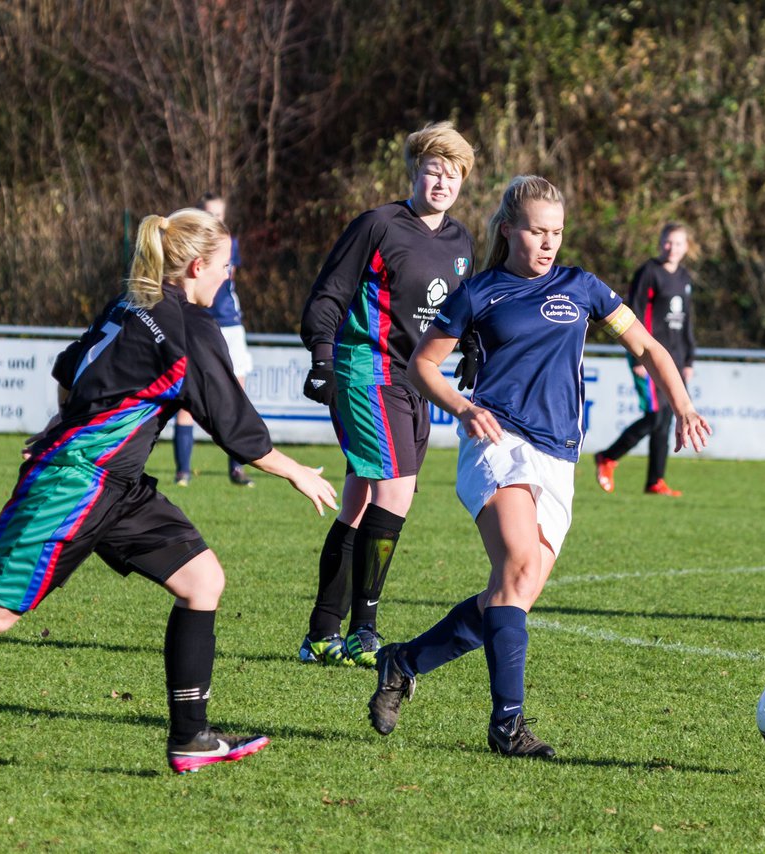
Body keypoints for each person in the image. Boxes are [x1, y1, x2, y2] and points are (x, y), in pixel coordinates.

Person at [0, 209, 338, 774]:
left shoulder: (134, 300)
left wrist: (67, 428)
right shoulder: (187, 327)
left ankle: (191, 738)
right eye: (226, 268)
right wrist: (299, 471)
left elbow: (67, 375)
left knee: (202, 578)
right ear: (198, 266)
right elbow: (237, 431)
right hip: (75, 486)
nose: (229, 278)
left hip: (115, 485)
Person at [367, 175, 711, 758]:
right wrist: (462, 407)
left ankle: (404, 661)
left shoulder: (584, 287)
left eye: (556, 232)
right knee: (520, 565)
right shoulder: (477, 293)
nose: (548, 242)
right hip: (496, 441)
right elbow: (424, 366)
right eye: (536, 231)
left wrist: (682, 405)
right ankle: (508, 726)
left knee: (514, 591)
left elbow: (650, 347)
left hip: (558, 458)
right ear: (509, 230)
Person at [297, 122, 476, 668]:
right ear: (414, 173)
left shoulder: (461, 240)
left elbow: (459, 309)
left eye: (454, 174)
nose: (442, 182)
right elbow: (328, 294)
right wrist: (322, 358)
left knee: (356, 506)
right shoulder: (378, 224)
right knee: (395, 494)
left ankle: (321, 635)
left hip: (415, 380)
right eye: (433, 170)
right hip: (365, 372)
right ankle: (364, 631)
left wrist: (471, 347)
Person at [594, 223, 697, 497]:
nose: (671, 248)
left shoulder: (685, 278)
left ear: (686, 247)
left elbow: (687, 322)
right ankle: (607, 457)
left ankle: (655, 481)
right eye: (667, 242)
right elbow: (633, 313)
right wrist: (637, 357)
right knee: (654, 415)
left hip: (674, 359)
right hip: (647, 357)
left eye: (677, 243)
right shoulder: (648, 273)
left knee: (664, 419)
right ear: (660, 242)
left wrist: (688, 360)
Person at [172, 192, 255, 488]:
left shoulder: (229, 244)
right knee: (187, 396)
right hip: (200, 323)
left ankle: (238, 468)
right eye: (210, 214)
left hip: (231, 326)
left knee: (237, 396)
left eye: (220, 215)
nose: (216, 220)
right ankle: (182, 470)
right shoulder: (191, 249)